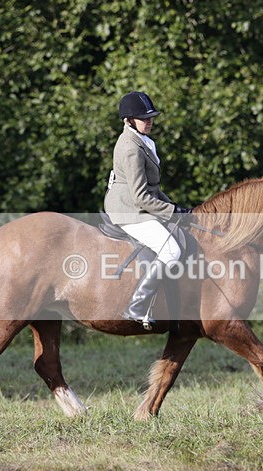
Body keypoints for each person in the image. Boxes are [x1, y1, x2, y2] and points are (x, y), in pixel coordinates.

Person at [104, 91, 191, 326]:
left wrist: (175, 207)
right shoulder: (131, 148)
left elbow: (152, 187)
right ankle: (137, 305)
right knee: (171, 251)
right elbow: (142, 197)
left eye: (151, 116)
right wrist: (172, 213)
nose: (149, 121)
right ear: (128, 120)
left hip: (139, 203)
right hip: (128, 208)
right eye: (144, 117)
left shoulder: (142, 141)